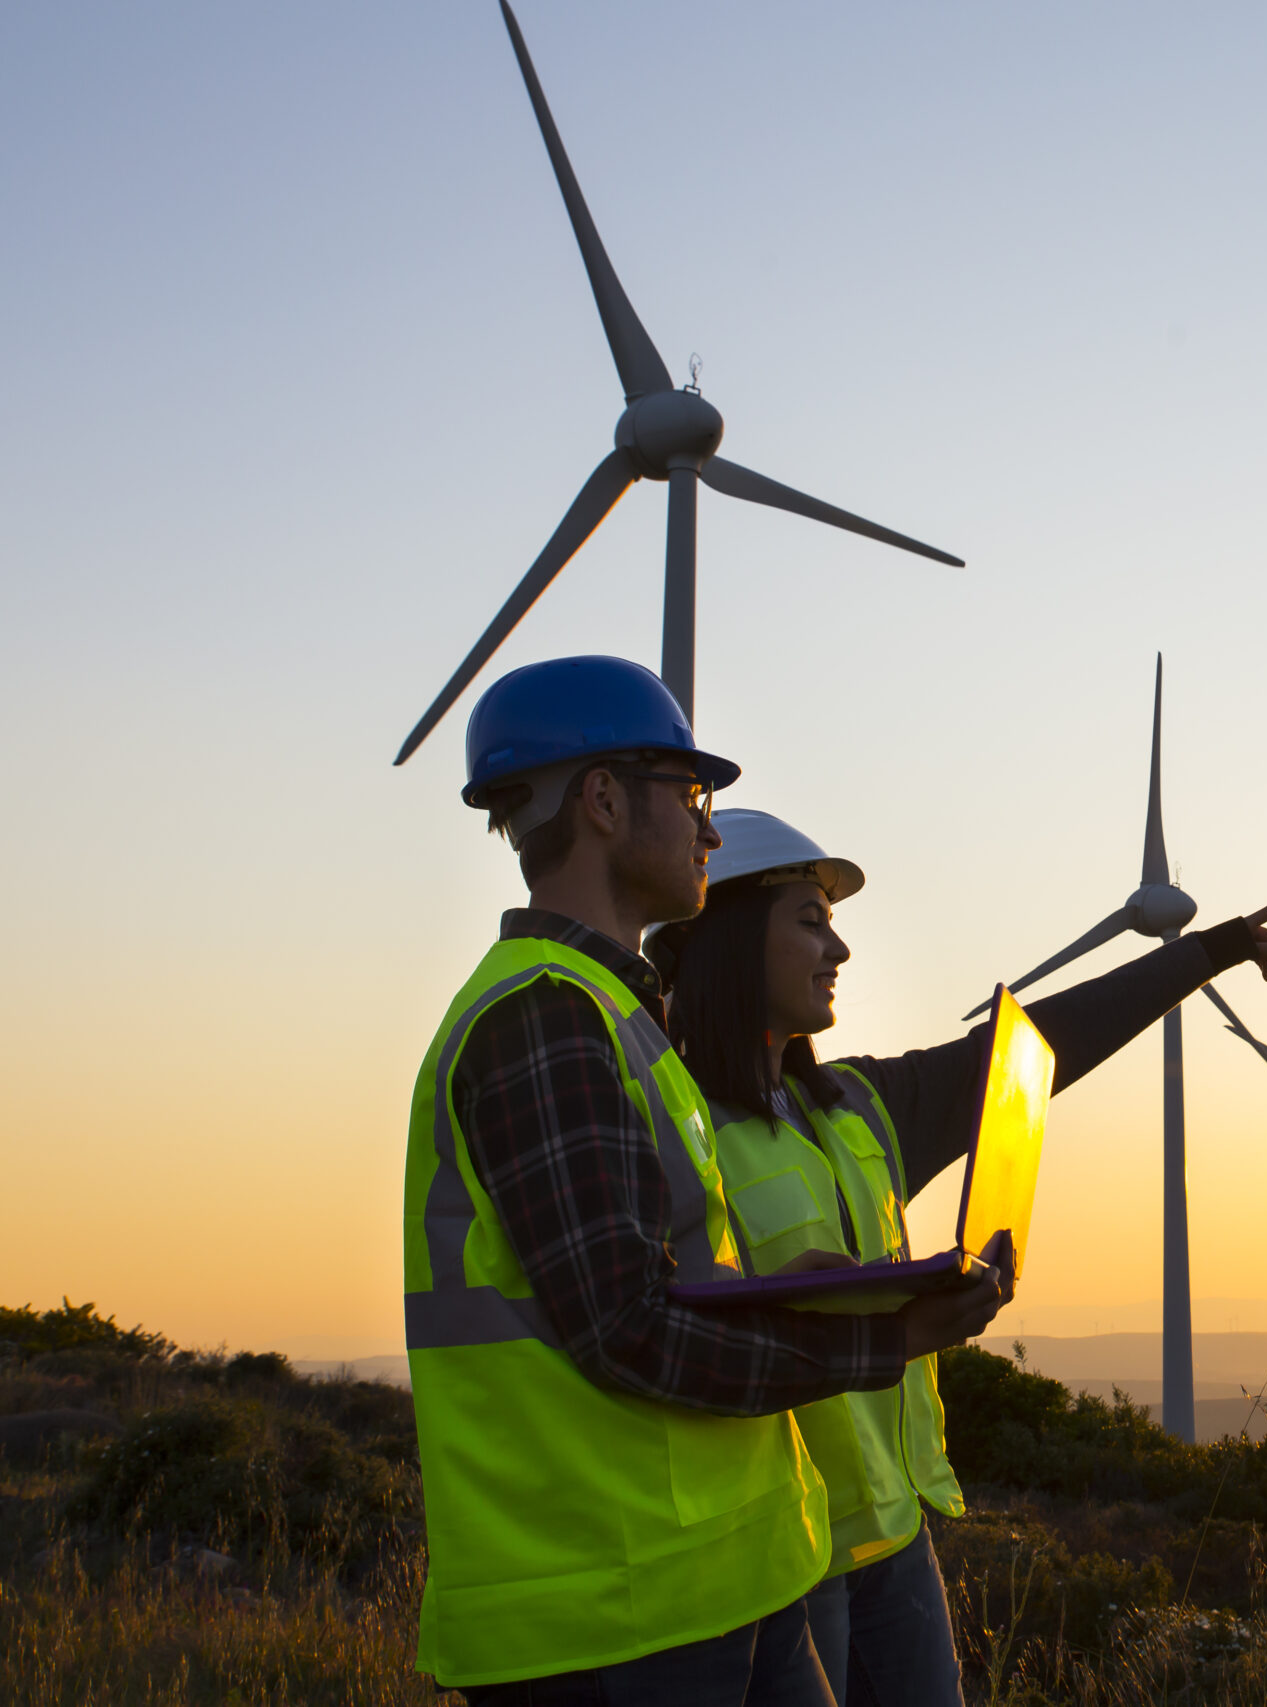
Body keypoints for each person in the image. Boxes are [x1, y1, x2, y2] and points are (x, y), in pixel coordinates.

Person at [404, 656, 1011, 1704]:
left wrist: (805, 1286)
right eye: (691, 796)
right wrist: (889, 1339)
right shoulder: (545, 1020)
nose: (710, 830)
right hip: (615, 1617)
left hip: (721, 1581)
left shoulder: (613, 1016)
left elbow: (659, 1280)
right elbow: (626, 1329)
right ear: (602, 800)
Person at [652, 806, 1267, 1706]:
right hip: (783, 1555)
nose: (838, 951)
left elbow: (1032, 1051)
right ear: (724, 941)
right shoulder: (670, 1131)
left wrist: (1202, 954)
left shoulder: (864, 1105)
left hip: (896, 1537)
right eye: (810, 920)